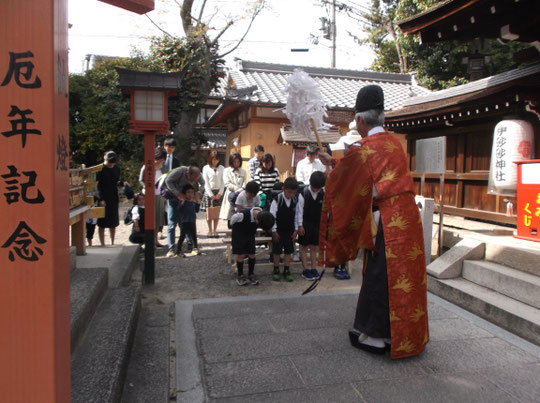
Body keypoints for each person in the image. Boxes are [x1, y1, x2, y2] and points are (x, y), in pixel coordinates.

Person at [318, 84, 429, 359]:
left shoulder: (361, 148)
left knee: (382, 277)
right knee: (408, 277)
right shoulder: (396, 144)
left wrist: (331, 169)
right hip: (408, 219)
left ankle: (379, 337)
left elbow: (349, 179)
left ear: (359, 120)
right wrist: (333, 161)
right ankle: (408, 335)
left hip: (386, 223)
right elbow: (362, 170)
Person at [164, 165, 204, 257]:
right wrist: (177, 194)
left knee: (185, 223)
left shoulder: (197, 173)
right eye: (192, 179)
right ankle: (171, 248)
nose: (193, 181)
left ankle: (190, 245)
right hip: (173, 198)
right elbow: (168, 181)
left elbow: (203, 183)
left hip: (186, 199)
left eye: (196, 179)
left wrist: (199, 192)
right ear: (187, 173)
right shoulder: (179, 171)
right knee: (172, 223)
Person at [230, 207, 275, 286]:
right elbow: (232, 221)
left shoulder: (263, 216)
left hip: (250, 234)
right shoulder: (242, 215)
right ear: (256, 219)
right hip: (239, 234)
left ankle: (251, 274)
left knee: (252, 253)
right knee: (241, 255)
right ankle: (240, 275)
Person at [296, 171, 325, 281]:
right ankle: (306, 269)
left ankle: (313, 268)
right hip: (305, 223)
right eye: (314, 187)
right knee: (304, 246)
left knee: (314, 247)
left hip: (317, 224)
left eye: (318, 188)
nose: (316, 190)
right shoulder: (303, 193)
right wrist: (299, 225)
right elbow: (299, 211)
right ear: (310, 183)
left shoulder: (323, 193)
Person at [270, 177, 300, 282]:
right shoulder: (277, 200)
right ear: (283, 189)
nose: (291, 195)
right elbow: (272, 216)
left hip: (290, 230)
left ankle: (287, 270)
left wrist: (296, 230)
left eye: (294, 192)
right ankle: (276, 269)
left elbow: (297, 215)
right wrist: (274, 231)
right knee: (277, 252)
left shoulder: (295, 200)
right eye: (289, 192)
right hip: (278, 230)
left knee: (288, 251)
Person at [96, 151, 128, 246]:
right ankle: (102, 243)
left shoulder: (116, 169)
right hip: (103, 197)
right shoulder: (99, 169)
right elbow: (97, 186)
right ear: (105, 159)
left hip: (113, 197)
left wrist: (122, 183)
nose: (110, 164)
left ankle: (112, 242)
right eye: (109, 162)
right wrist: (100, 199)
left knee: (113, 222)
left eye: (112, 163)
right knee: (102, 222)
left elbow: (116, 181)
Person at [137, 147, 167, 247]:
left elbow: (165, 181)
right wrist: (146, 186)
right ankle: (147, 241)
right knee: (148, 219)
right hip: (148, 195)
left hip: (159, 195)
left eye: (162, 159)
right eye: (158, 158)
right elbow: (141, 180)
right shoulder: (147, 166)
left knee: (158, 220)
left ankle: (155, 240)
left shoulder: (164, 168)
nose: (159, 161)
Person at [219, 152, 247, 226]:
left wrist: (242, 189)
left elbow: (245, 182)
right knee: (231, 216)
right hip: (231, 195)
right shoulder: (226, 170)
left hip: (241, 195)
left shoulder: (243, 171)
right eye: (234, 161)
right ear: (231, 161)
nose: (236, 163)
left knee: (240, 215)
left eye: (238, 161)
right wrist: (237, 189)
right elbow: (226, 183)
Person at [202, 151, 225, 237]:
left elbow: (223, 182)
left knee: (216, 213)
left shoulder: (222, 168)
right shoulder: (205, 168)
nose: (215, 161)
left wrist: (220, 193)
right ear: (210, 159)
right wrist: (210, 194)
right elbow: (206, 182)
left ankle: (215, 230)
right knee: (209, 213)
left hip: (218, 192)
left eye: (217, 159)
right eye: (213, 159)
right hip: (209, 192)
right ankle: (209, 230)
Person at [175, 184, 201, 257]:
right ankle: (178, 251)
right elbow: (179, 210)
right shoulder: (183, 202)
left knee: (194, 235)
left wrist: (198, 203)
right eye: (188, 192)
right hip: (184, 222)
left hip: (192, 221)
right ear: (184, 193)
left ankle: (195, 248)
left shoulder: (192, 202)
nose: (190, 194)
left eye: (192, 192)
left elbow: (196, 210)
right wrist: (182, 203)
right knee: (182, 237)